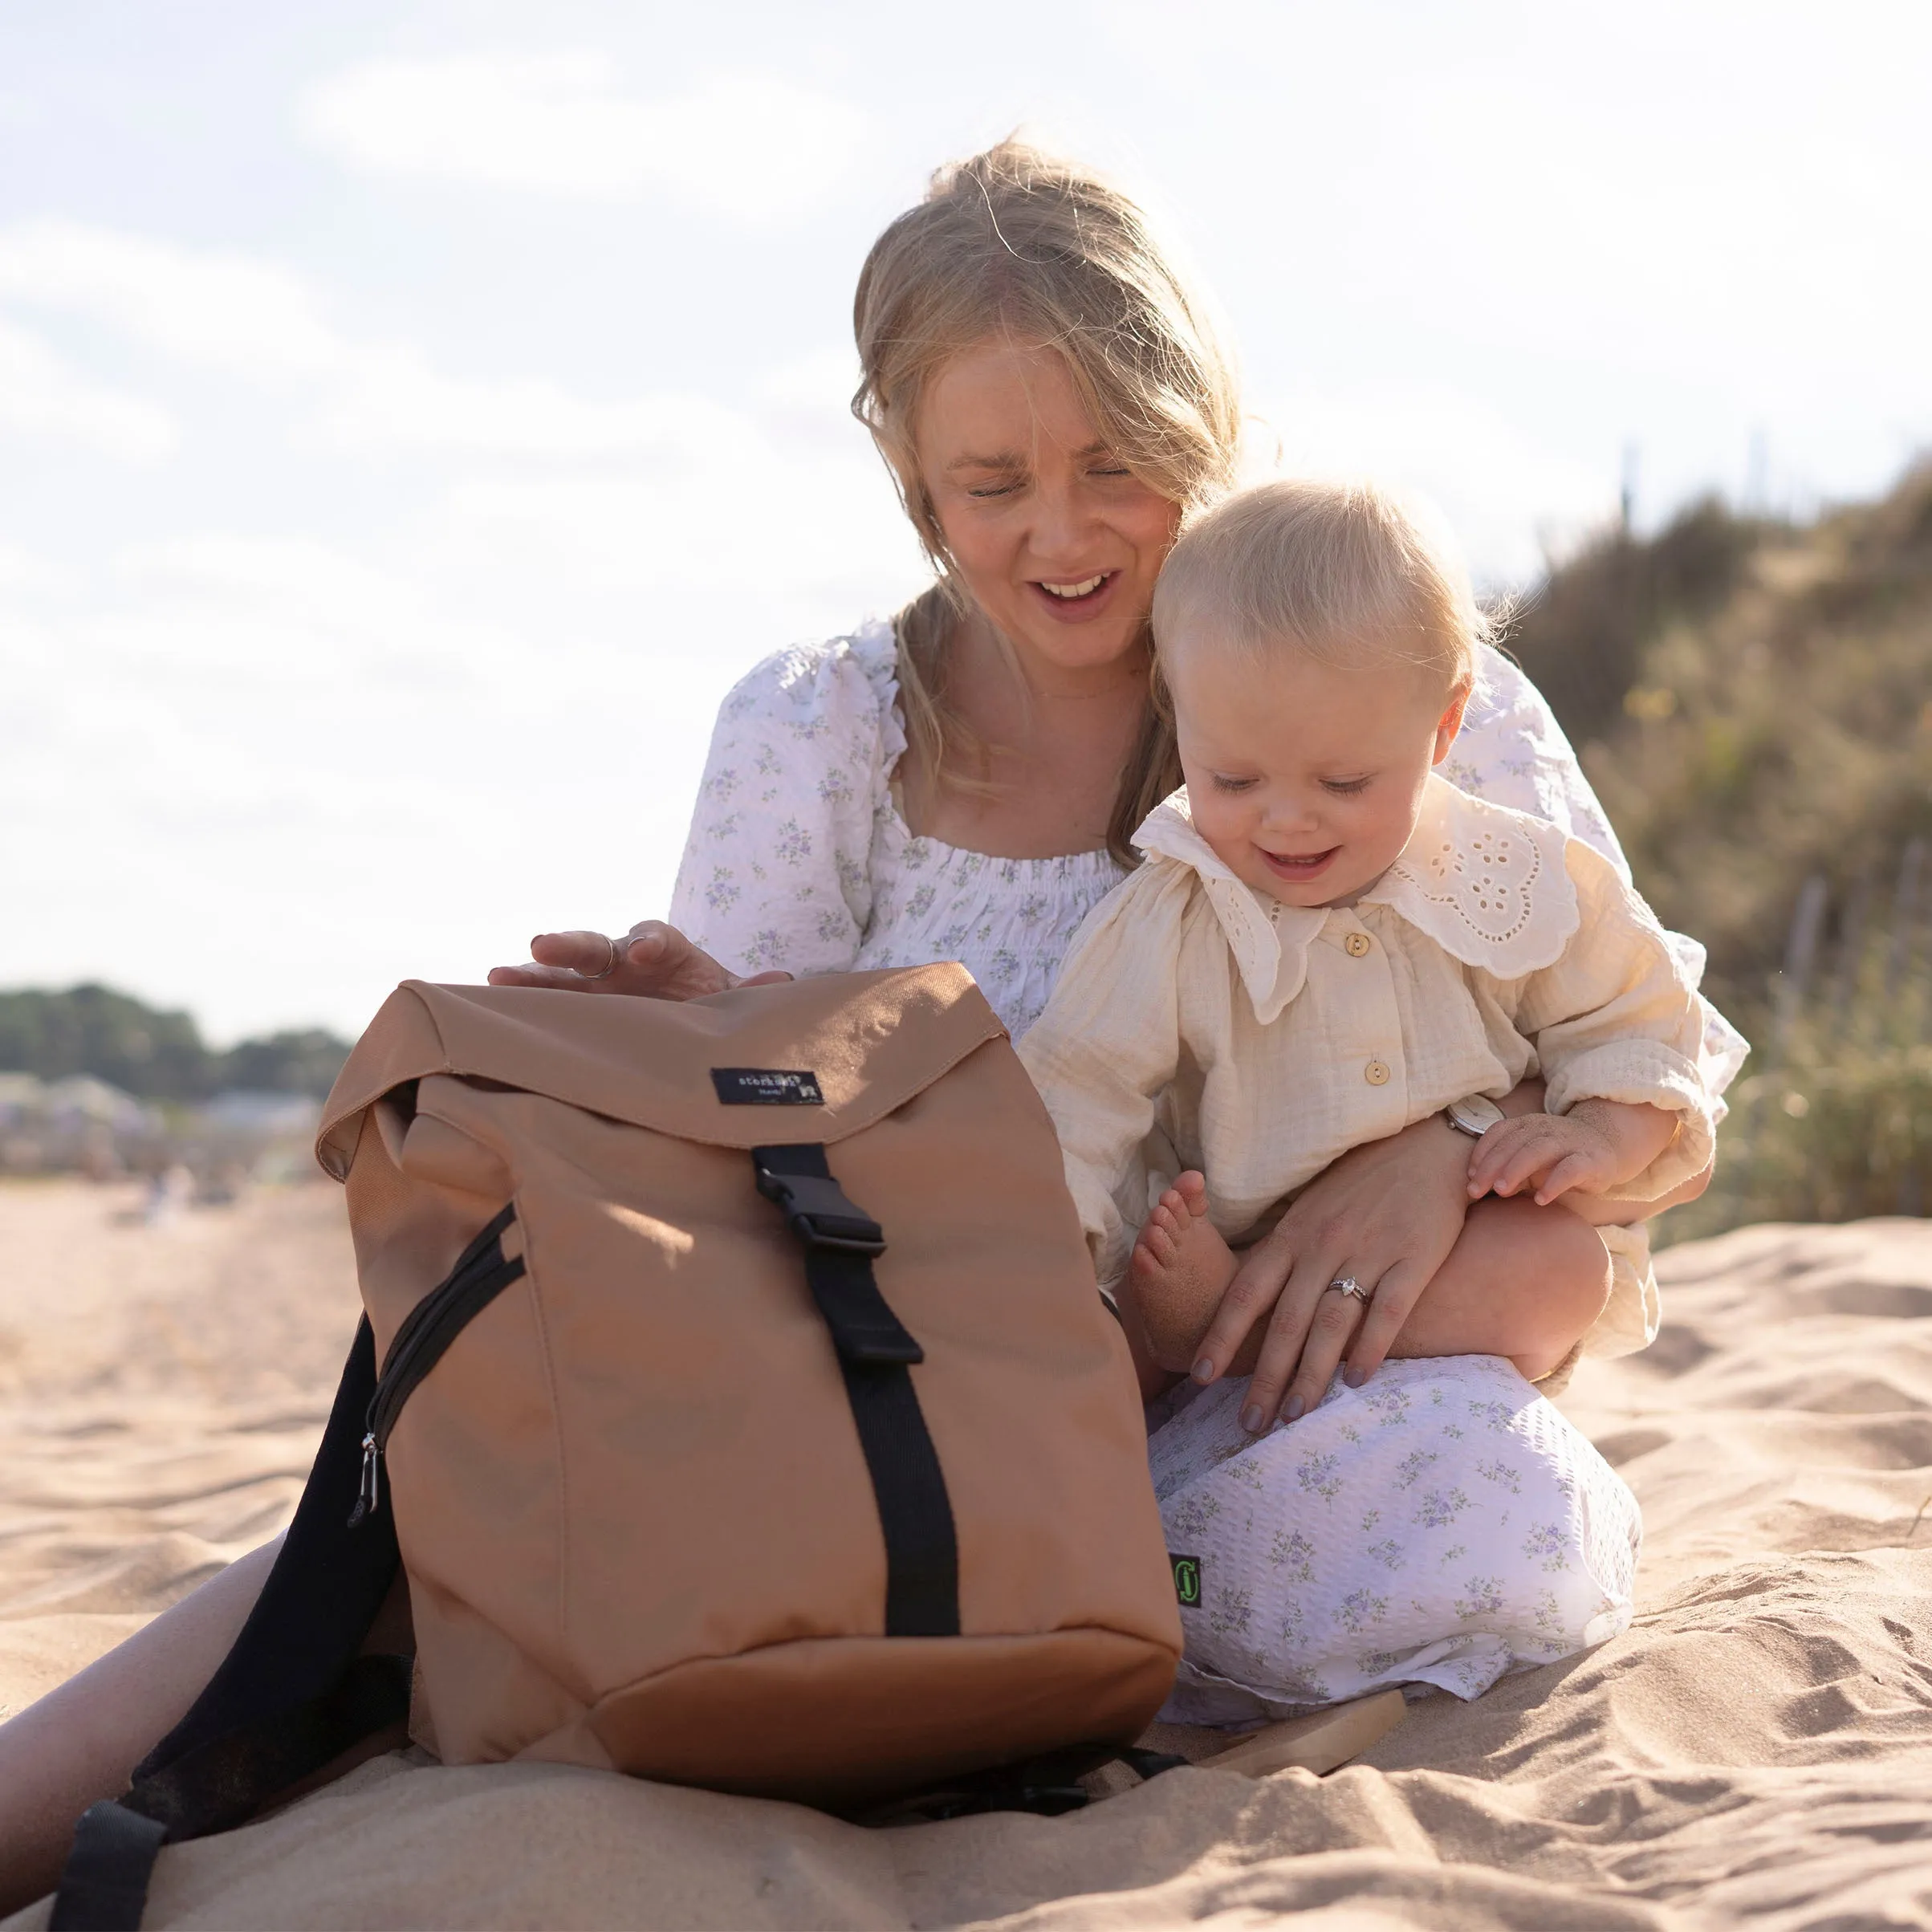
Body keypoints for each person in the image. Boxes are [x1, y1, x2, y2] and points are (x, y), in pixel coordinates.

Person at [0, 139, 1737, 1911]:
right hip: (912, 1402)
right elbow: (732, 1222)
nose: (1062, 531)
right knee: (403, 1511)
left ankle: (1039, 1660)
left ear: (1203, 422)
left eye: (1118, 464)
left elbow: (1644, 1054)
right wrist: (722, 1043)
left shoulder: (1387, 670)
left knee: (1515, 1413)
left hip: (1283, 1406)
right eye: (991, 481)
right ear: (907, 473)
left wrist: (1441, 1159)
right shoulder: (821, 732)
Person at [1015, 477, 1714, 1718]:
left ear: (1442, 730)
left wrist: (1591, 1129)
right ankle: (1201, 1328)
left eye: (1342, 782)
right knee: (1114, 1334)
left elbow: (1636, 1020)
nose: (1282, 820)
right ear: (1180, 722)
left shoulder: (1505, 878)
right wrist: (1062, 1266)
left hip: (1441, 1312)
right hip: (1226, 1312)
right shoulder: (1173, 912)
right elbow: (1079, 1087)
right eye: (1231, 778)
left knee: (1561, 1266)